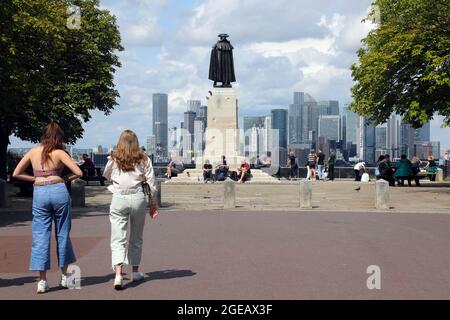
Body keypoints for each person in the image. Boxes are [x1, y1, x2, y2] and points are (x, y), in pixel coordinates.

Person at [12, 123, 83, 293]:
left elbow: (16, 173)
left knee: (40, 235)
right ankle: (65, 276)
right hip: (58, 189)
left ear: (44, 135)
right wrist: (64, 178)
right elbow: (79, 172)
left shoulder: (33, 152)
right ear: (59, 136)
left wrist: (35, 179)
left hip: (40, 191)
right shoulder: (60, 153)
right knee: (63, 233)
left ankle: (42, 281)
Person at [103, 130, 157, 290]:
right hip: (138, 197)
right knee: (136, 237)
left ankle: (118, 274)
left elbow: (106, 174)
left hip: (119, 198)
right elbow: (152, 183)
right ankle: (135, 271)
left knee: (118, 237)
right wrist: (153, 203)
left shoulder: (114, 158)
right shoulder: (143, 158)